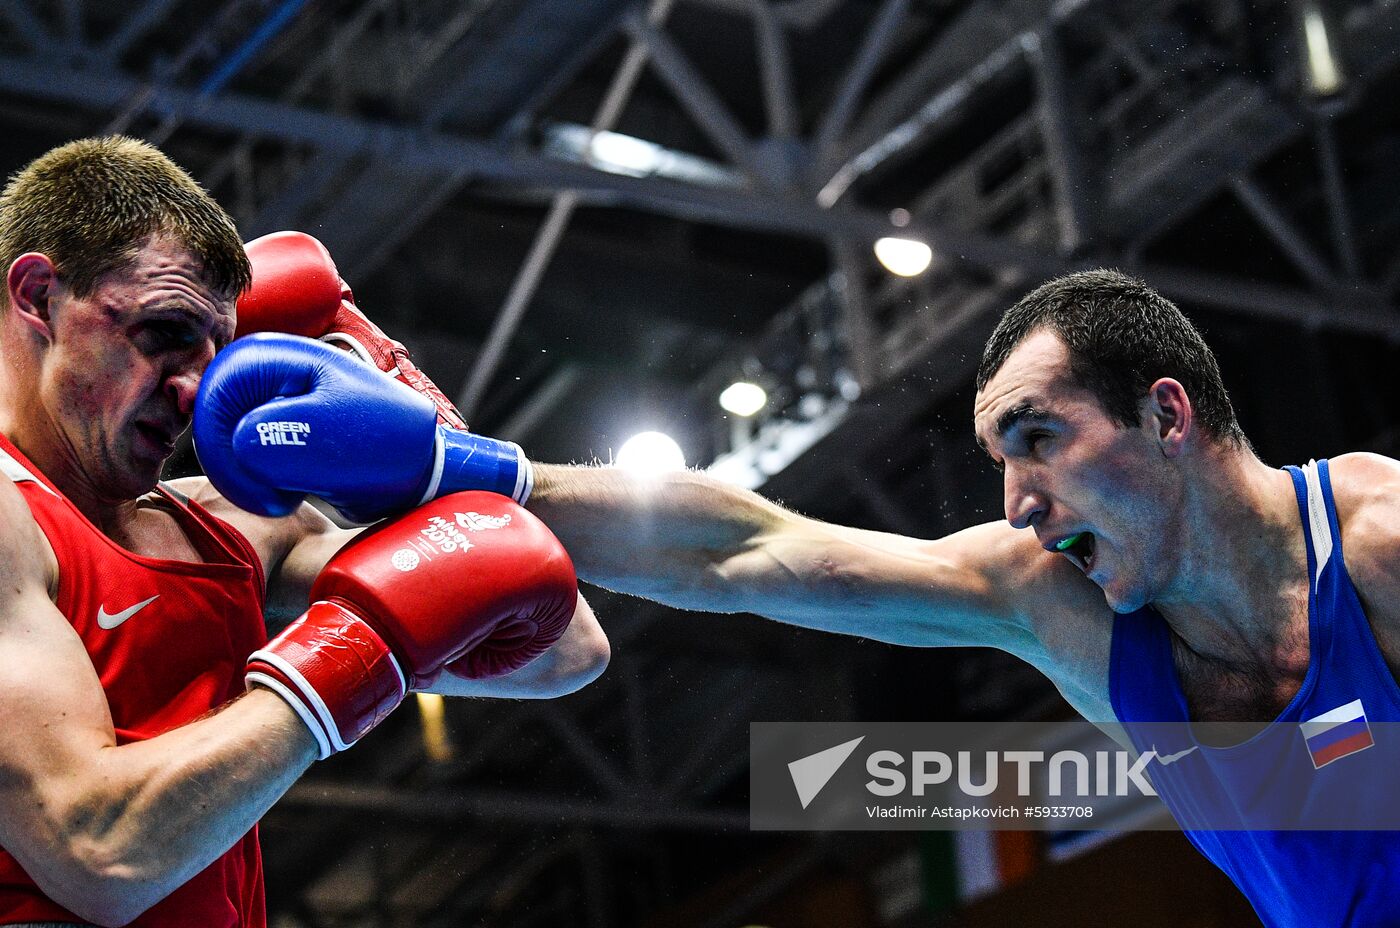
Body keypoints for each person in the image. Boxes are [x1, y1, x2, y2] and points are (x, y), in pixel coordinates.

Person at [507, 270, 1398, 928]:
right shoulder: (1059, 607)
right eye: (1002, 464)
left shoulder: (1381, 546)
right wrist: (486, 484)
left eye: (1039, 438)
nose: (1017, 503)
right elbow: (746, 552)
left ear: (1168, 417)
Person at [0, 137, 610, 927]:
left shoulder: (226, 528)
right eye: (162, 334)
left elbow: (557, 639)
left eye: (218, 352)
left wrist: (408, 408)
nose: (195, 392)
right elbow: (98, 853)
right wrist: (347, 655)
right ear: (39, 294)